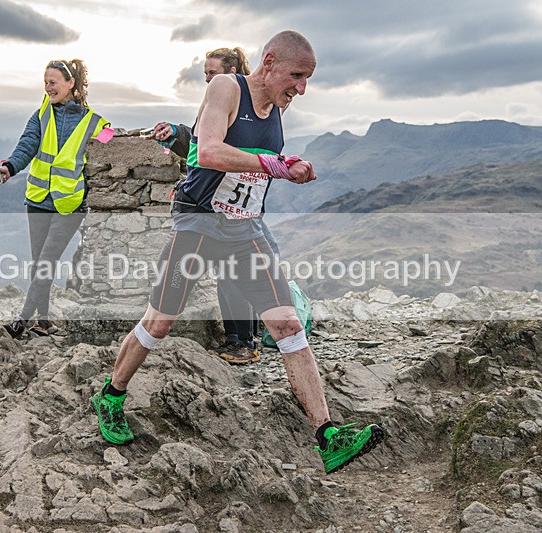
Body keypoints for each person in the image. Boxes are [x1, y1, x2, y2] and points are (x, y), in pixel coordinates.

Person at [92, 31, 384, 474]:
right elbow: (208, 151)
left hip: (245, 229)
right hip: (200, 224)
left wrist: (289, 167)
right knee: (160, 321)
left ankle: (327, 435)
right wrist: (277, 165)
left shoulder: (278, 109)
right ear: (268, 62)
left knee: (287, 323)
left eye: (307, 80)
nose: (301, 88)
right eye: (297, 76)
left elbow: (258, 164)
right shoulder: (226, 87)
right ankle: (111, 394)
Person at [151, 47, 274, 364]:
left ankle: (243, 342)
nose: (207, 79)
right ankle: (245, 339)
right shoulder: (222, 101)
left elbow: (220, 150)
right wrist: (174, 133)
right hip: (212, 205)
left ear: (232, 72)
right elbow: (199, 145)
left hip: (220, 208)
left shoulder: (239, 100)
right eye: (205, 74)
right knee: (229, 272)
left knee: (232, 274)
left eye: (212, 73)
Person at [0, 58, 112, 339]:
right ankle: (43, 321)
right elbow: (27, 145)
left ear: (71, 84)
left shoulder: (93, 121)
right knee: (39, 264)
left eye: (53, 82)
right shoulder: (40, 115)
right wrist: (10, 168)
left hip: (70, 204)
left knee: (46, 261)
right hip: (37, 200)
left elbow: (113, 143)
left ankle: (22, 320)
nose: (47, 88)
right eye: (45, 82)